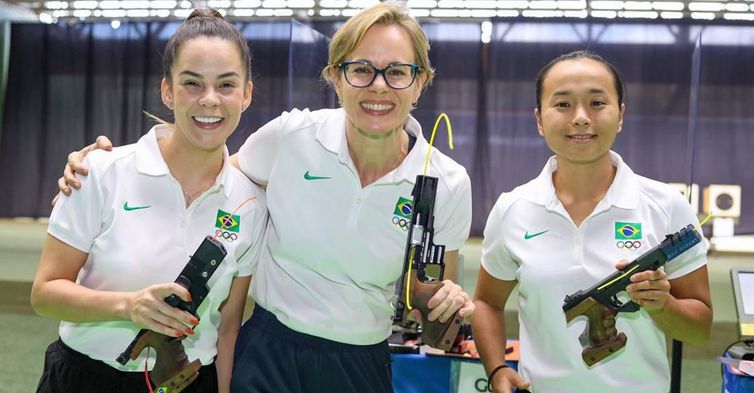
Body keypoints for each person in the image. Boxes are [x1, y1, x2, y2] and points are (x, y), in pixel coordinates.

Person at [56, 3, 476, 392]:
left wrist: (445, 303)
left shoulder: (448, 182)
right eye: (361, 69)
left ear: (420, 82)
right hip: (268, 351)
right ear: (334, 77)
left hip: (361, 360)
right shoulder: (292, 136)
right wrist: (109, 165)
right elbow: (212, 170)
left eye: (398, 72)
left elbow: (428, 294)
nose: (379, 87)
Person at [31, 9, 267, 393]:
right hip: (83, 379)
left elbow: (228, 328)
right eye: (192, 83)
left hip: (192, 383)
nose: (210, 100)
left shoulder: (251, 203)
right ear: (167, 91)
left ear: (246, 95)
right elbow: (45, 293)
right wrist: (128, 306)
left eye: (226, 85)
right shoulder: (101, 172)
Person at [471, 50, 712, 393]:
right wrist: (497, 369)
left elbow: (700, 329)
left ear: (621, 115)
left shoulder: (666, 206)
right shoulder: (513, 208)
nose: (581, 118)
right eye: (563, 105)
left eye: (597, 103)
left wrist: (664, 305)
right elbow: (486, 303)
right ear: (539, 119)